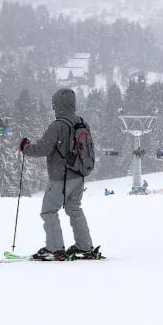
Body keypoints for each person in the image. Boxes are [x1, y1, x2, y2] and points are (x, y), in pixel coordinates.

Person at [19, 88, 100, 260]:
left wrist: (25, 148)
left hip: (61, 178)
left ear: (59, 104)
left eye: (54, 104)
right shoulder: (82, 122)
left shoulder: (57, 126)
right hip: (79, 175)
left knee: (49, 211)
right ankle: (85, 246)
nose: (53, 108)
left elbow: (43, 148)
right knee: (74, 209)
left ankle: (55, 249)